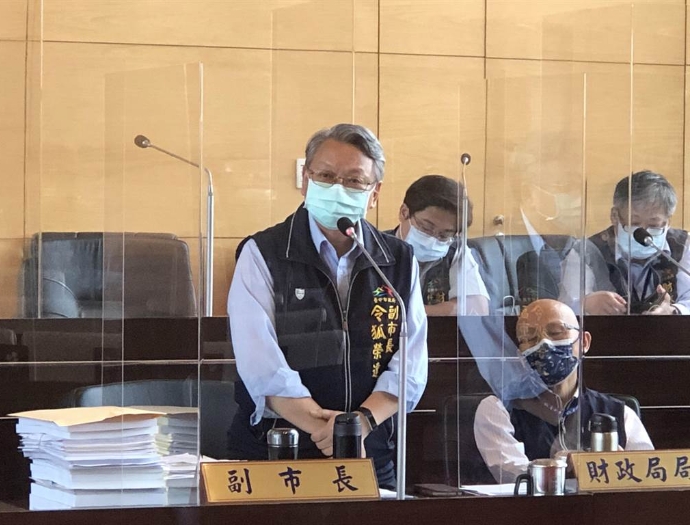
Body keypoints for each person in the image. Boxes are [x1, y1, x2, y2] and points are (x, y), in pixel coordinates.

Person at [226, 123, 429, 489]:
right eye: (326, 176)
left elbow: (410, 362)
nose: (338, 187)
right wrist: (328, 430)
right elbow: (260, 362)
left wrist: (359, 424)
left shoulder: (397, 259)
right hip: (278, 452)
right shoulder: (263, 253)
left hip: (368, 450)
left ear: (375, 193)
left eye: (354, 180)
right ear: (306, 180)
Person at [474, 299, 653, 483]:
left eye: (556, 332)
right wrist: (573, 464)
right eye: (530, 338)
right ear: (520, 355)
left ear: (584, 342)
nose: (544, 344)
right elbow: (519, 477)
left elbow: (649, 477)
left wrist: (624, 465)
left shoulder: (620, 413)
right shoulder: (498, 409)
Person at [559, 170, 690, 315]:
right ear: (615, 216)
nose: (643, 233)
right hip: (608, 329)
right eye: (634, 223)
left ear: (667, 222)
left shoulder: (684, 246)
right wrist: (587, 303)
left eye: (654, 225)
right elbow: (564, 307)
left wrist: (673, 311)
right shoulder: (587, 250)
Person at [390, 175, 489, 315]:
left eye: (444, 235)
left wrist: (409, 314)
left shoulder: (456, 250)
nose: (433, 240)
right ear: (404, 213)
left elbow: (477, 309)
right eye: (426, 228)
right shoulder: (376, 248)